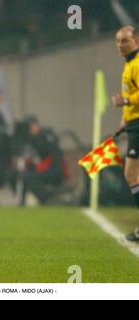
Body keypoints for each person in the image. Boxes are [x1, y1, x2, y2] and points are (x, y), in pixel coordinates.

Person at [111, 25, 139, 242]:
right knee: (132, 174)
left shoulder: (137, 64)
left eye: (125, 41)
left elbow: (133, 97)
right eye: (118, 41)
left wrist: (126, 101)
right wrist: (123, 122)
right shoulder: (128, 64)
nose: (120, 45)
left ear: (136, 41)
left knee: (131, 173)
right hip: (132, 124)